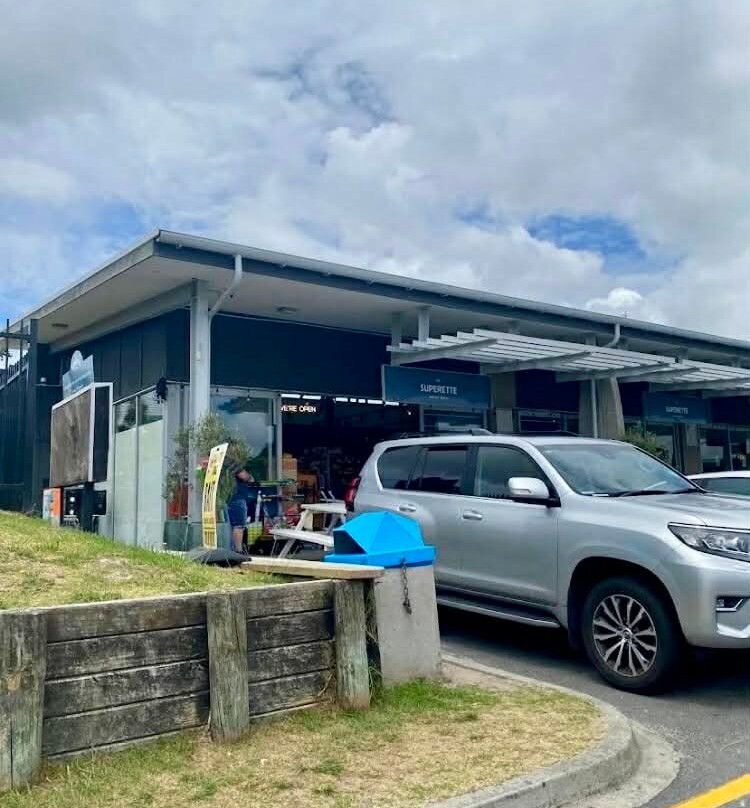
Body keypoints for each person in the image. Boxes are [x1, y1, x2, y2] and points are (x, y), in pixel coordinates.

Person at [226, 466, 258, 553]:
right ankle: (238, 551)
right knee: (239, 526)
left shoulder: (222, 463)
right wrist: (250, 477)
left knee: (229, 526)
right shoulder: (233, 463)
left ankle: (231, 550)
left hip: (226, 499)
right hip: (237, 498)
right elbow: (245, 477)